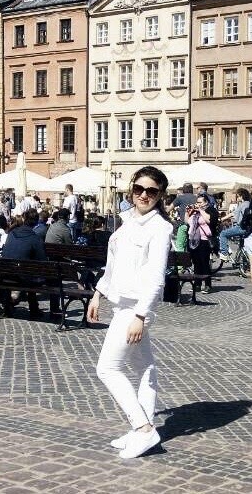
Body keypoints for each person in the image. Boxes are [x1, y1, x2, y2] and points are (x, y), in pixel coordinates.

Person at [88, 166, 171, 459]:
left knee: (107, 368)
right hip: (121, 302)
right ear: (131, 190)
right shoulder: (127, 222)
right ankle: (142, 430)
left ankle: (144, 429)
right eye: (139, 189)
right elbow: (114, 265)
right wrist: (98, 293)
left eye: (151, 191)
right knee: (144, 368)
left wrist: (140, 315)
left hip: (135, 308)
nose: (144, 195)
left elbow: (156, 277)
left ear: (160, 195)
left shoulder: (160, 228)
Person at [186, 195, 213, 294]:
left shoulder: (209, 210)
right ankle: (197, 284)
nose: (198, 204)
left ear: (206, 202)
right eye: (197, 202)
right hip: (193, 240)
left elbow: (209, 220)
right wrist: (187, 212)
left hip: (204, 240)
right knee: (196, 263)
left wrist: (200, 210)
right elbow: (188, 222)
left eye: (200, 202)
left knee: (204, 263)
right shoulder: (195, 212)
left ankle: (207, 285)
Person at [217, 188, 250, 263]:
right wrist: (222, 219)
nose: (237, 198)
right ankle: (244, 264)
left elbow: (244, 215)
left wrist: (221, 220)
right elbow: (232, 213)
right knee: (242, 246)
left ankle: (224, 254)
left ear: (241, 196)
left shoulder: (245, 205)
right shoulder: (246, 204)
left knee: (223, 234)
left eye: (238, 196)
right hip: (246, 228)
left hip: (241, 227)